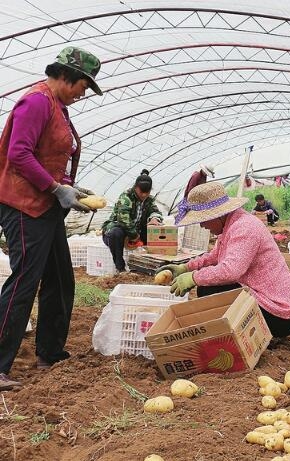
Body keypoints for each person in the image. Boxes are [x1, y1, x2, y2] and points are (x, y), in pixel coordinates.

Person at [0, 46, 103, 390]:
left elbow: (56, 156)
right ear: (65, 76)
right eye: (83, 86)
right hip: (24, 205)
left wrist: (70, 188)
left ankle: (49, 351)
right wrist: (55, 188)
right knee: (24, 282)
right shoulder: (37, 102)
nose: (83, 94)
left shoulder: (58, 107)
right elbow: (18, 153)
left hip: (45, 206)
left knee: (60, 278)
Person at [158, 182, 290, 338]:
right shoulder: (231, 225)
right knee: (208, 289)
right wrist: (186, 267)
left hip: (280, 314)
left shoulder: (245, 227)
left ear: (217, 214)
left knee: (209, 291)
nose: (202, 225)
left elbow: (230, 271)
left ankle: (245, 335)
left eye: (203, 219)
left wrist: (193, 278)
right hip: (268, 302)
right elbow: (215, 256)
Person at [101, 169, 163, 272]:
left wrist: (154, 218)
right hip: (120, 230)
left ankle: (150, 265)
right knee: (116, 233)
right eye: (141, 192)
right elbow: (123, 220)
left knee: (154, 231)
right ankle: (120, 268)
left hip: (135, 231)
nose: (144, 195)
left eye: (146, 192)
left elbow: (156, 211)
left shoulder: (149, 200)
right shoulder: (126, 197)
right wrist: (134, 236)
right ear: (135, 187)